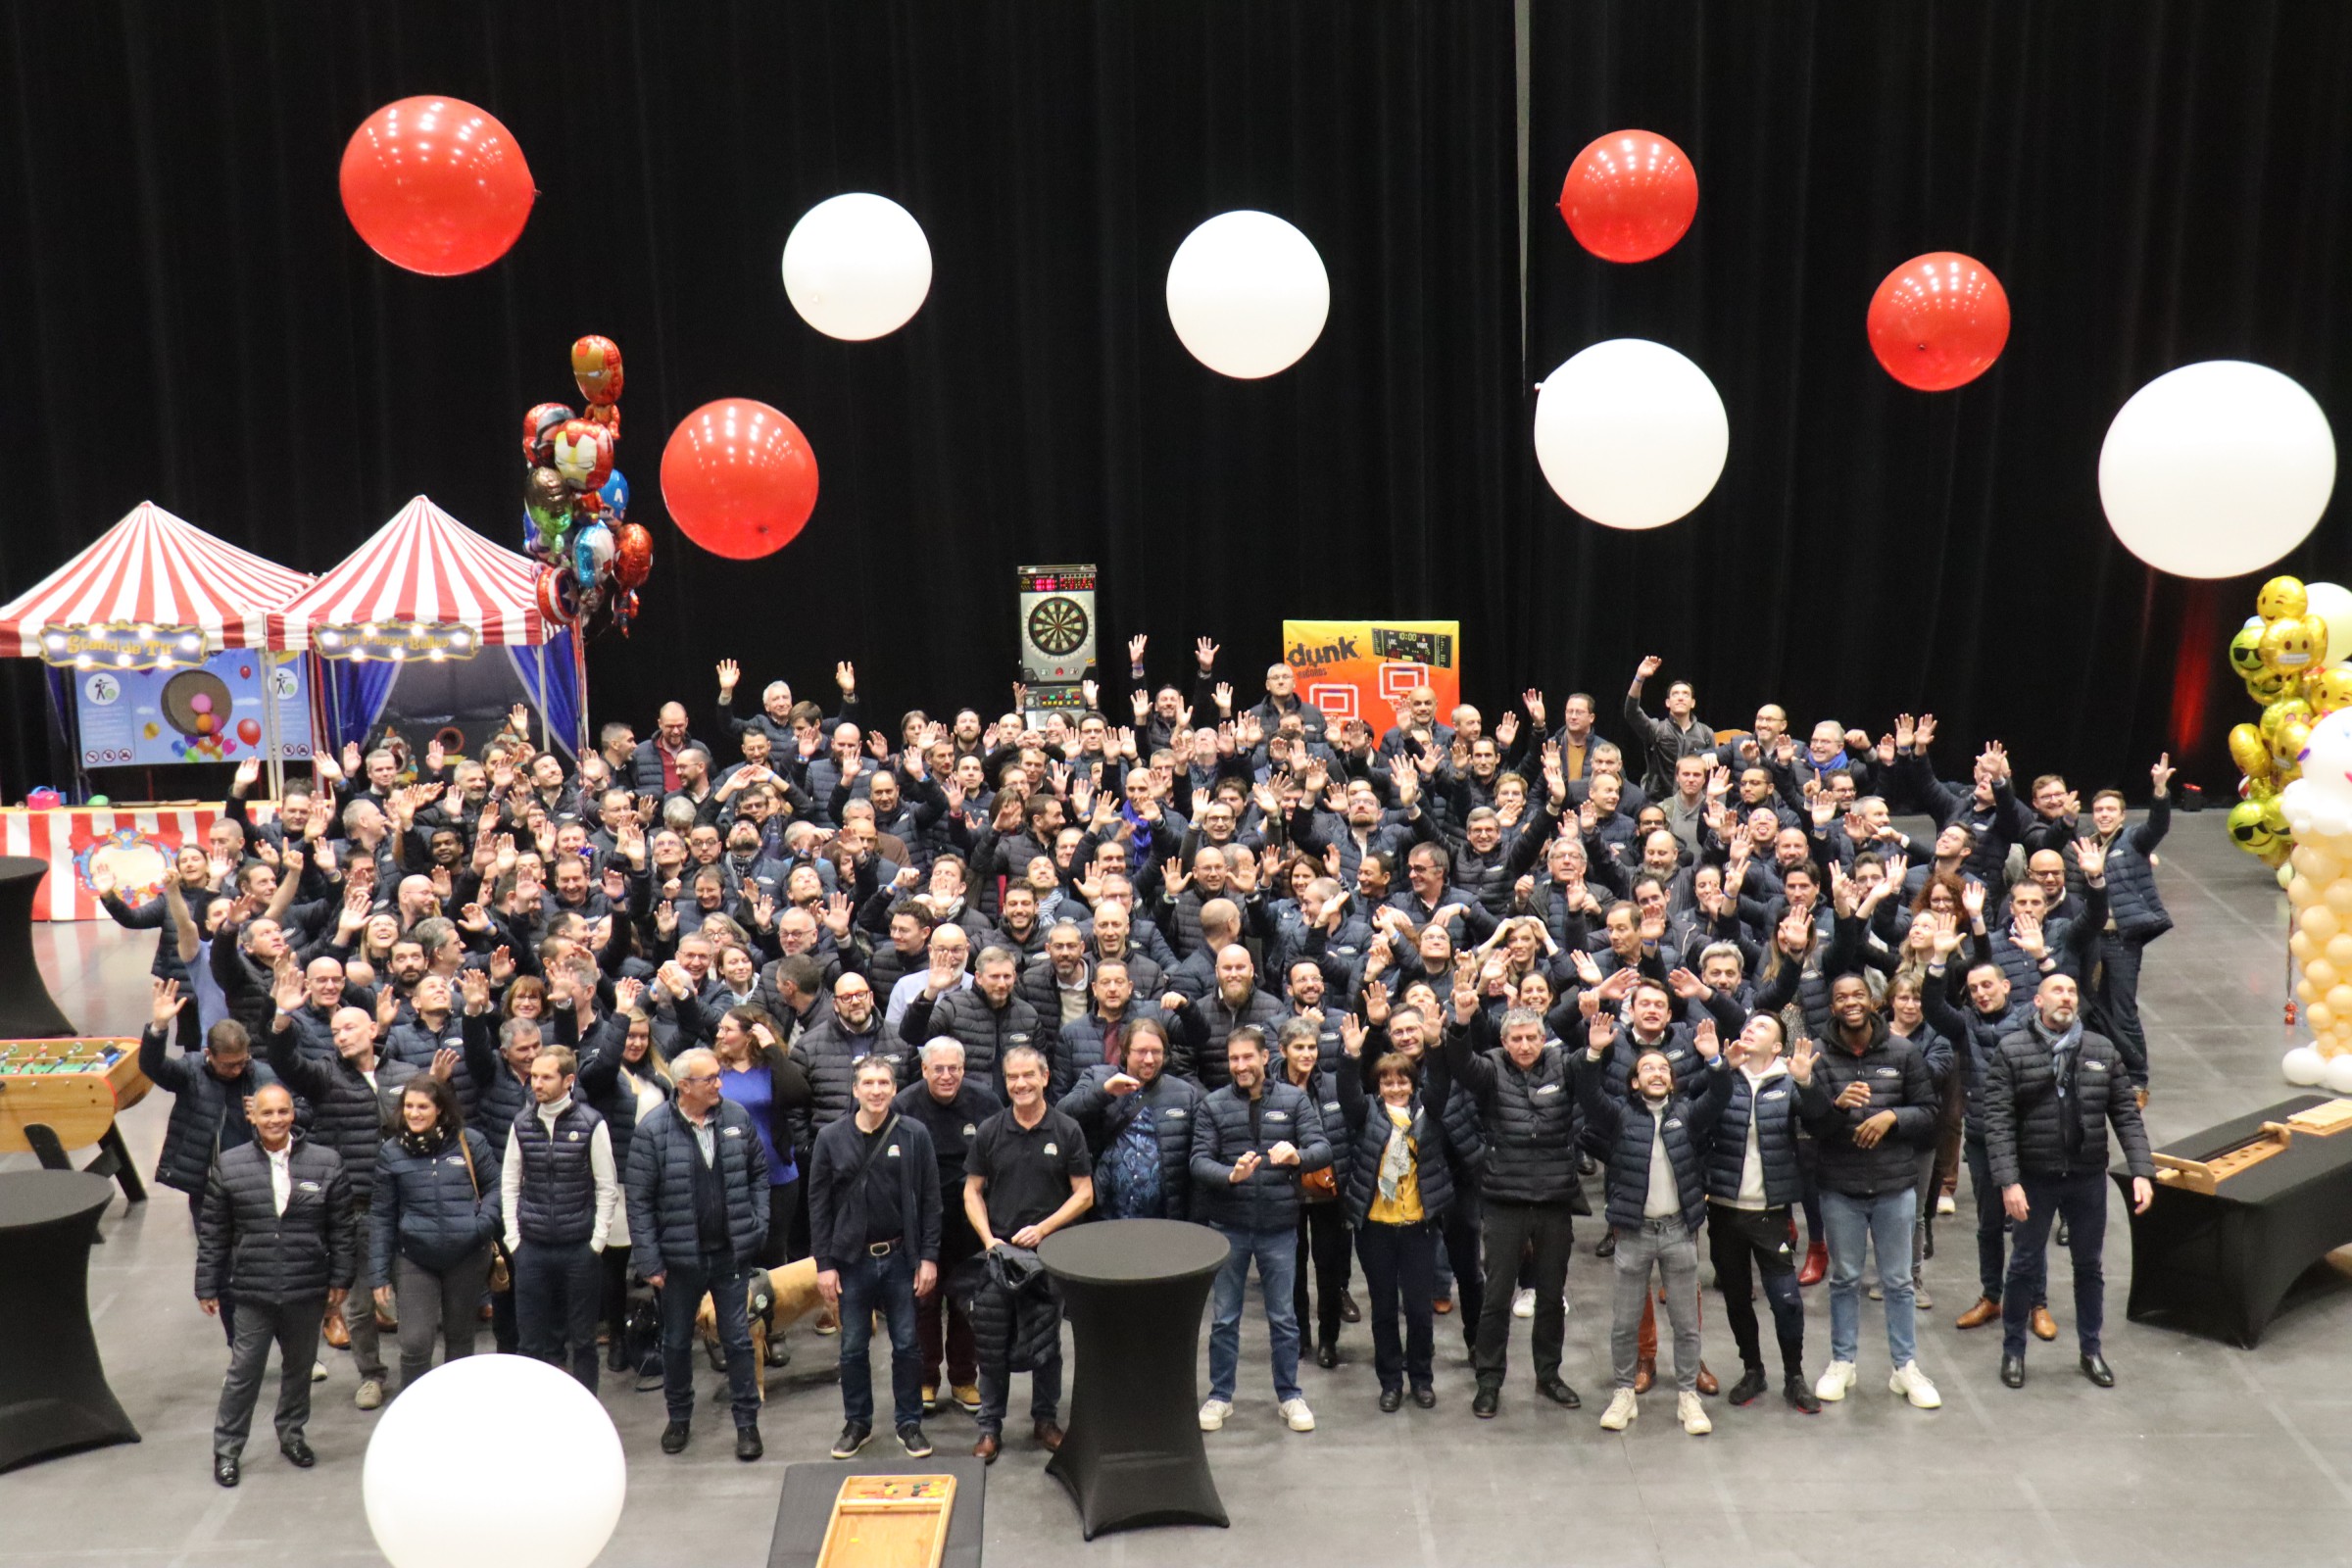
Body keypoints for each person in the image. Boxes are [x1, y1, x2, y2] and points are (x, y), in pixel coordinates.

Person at [1981, 973, 2156, 1388]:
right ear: (2038, 1002)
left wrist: (2142, 1171)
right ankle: (2013, 1351)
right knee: (2023, 1265)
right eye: (2056, 991)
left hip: (2086, 1177)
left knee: (2089, 1267)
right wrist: (2009, 1182)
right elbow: (1998, 1122)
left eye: (2072, 991)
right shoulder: (2012, 1050)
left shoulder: (2100, 1049)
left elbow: (2126, 1116)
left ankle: (2091, 1350)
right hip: (2034, 1178)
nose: (2066, 997)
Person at [262, 968, 424, 1412]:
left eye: (350, 1027)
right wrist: (281, 1018)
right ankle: (371, 1375)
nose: (340, 1036)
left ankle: (419, 1377)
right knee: (356, 1304)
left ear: (374, 1029)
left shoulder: (408, 1073)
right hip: (353, 1208)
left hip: (406, 1206)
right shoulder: (325, 1076)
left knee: (413, 1296)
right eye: (334, 1031)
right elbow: (285, 1062)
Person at [1576, 1014, 1733, 1436]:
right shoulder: (1620, 1117)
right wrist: (1593, 1051)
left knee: (1686, 1322)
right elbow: (1588, 1094)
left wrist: (1715, 1058)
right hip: (1634, 1232)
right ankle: (1623, 1392)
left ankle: (1688, 1396)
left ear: (1673, 1079)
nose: (1657, 1072)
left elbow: (1721, 1095)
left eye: (1664, 1068)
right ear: (1633, 1082)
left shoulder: (1688, 1115)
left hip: (1680, 1231)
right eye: (1647, 1068)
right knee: (1625, 1322)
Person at [197, 1082, 355, 1488]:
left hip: (307, 1287)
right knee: (244, 1371)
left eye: (283, 1111)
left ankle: (292, 1434)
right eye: (267, 1113)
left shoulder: (326, 1162)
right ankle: (227, 1449)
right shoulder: (229, 1165)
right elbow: (214, 1231)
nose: (276, 1120)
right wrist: (207, 1284)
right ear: (252, 1116)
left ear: (293, 1114)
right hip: (252, 1289)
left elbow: (341, 1228)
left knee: (299, 1368)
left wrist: (340, 1278)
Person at [1798, 974, 1942, 1410]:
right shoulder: (1819, 1058)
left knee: (1898, 1281)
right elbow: (1813, 1127)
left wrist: (1891, 1118)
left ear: (1873, 1001)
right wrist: (1832, 1103)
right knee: (1844, 1278)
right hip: (1839, 1186)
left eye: (1857, 995)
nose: (1850, 1003)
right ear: (1832, 1006)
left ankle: (1905, 1367)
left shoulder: (1903, 1052)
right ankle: (1843, 1362)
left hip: (1895, 1185)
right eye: (1841, 997)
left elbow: (1931, 1113)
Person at [1442, 987, 1583, 1418]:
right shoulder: (1490, 1069)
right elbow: (1460, 1064)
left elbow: (1596, 1064)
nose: (1524, 1045)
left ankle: (1549, 1374)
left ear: (1543, 1039)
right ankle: (1488, 1380)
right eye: (1516, 1039)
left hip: (1555, 1197)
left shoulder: (1564, 1065)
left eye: (1531, 1038)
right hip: (1504, 1198)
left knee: (1551, 1295)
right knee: (1497, 1297)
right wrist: (1461, 1023)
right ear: (1504, 1042)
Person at [626, 1046, 772, 1460]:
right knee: (675, 1343)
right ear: (684, 1086)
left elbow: (759, 1173)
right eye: (710, 1080)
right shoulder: (653, 1130)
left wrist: (756, 1226)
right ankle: (679, 1417)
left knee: (739, 1341)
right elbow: (639, 1201)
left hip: (730, 1255)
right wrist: (650, 1260)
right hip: (677, 1262)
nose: (719, 1085)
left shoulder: (737, 1118)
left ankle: (747, 1424)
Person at [1191, 1025, 1332, 1436]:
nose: (1240, 1066)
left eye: (1246, 1058)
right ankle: (1220, 1396)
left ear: (1264, 1057)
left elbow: (1321, 1149)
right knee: (1224, 1319)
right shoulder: (1213, 1105)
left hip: (1278, 1227)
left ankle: (1289, 1395)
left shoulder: (1294, 1099)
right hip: (1228, 1227)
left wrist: (1297, 1156)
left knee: (1284, 1318)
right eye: (1233, 1060)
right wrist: (1229, 1176)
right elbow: (1198, 1162)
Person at [808, 1055, 944, 1460]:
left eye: (884, 1082)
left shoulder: (915, 1134)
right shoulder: (830, 1138)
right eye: (868, 1083)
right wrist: (824, 1264)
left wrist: (930, 1257)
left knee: (906, 1344)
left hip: (902, 1257)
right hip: (851, 1261)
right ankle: (858, 1423)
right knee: (851, 1348)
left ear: (893, 1087)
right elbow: (817, 1205)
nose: (877, 1090)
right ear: (855, 1090)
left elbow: (932, 1200)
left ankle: (909, 1422)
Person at [963, 1044, 1093, 1463]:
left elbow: (1085, 1193)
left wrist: (1045, 1228)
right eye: (1013, 1077)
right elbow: (972, 1191)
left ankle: (1045, 1420)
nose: (1020, 1084)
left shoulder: (1066, 1129)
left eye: (1028, 1076)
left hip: (1050, 1258)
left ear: (1044, 1078)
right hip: (999, 1260)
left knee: (1047, 1345)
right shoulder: (990, 1130)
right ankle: (989, 1428)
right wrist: (988, 1241)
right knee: (991, 1341)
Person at [142, 978, 279, 1345]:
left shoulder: (263, 1077)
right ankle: (241, 1346)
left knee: (271, 1266)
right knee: (225, 1271)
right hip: (209, 1189)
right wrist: (158, 1028)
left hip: (259, 1185)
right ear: (209, 1056)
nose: (236, 1070)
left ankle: (289, 1346)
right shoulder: (190, 1073)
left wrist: (268, 1117)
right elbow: (153, 1067)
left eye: (241, 1063)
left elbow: (299, 1118)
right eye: (227, 1065)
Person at [1700, 1011, 1819, 1412]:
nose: (1751, 1029)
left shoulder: (1789, 1079)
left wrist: (1806, 1082)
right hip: (1723, 1209)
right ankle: (1752, 1369)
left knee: (1785, 1298)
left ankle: (1794, 1375)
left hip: (1770, 1211)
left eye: (1763, 1027)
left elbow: (1821, 1122)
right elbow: (1694, 1121)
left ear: (1778, 1046)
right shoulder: (1722, 1076)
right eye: (1748, 1025)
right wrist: (1717, 1072)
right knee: (1735, 1296)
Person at [1344, 1028, 1455, 1411]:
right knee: (1384, 1310)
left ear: (1413, 1083)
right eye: (1387, 1081)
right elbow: (1347, 1092)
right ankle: (1390, 1381)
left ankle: (1421, 1379)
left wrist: (1437, 1044)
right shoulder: (1367, 1116)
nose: (1394, 1087)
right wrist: (1350, 1055)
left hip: (1418, 1229)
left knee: (1421, 1313)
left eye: (1402, 1080)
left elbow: (1442, 1081)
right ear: (1377, 1086)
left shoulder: (1428, 1114)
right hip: (1375, 1228)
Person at [501, 1044, 621, 1390]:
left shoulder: (591, 1123)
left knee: (583, 1341)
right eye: (534, 1076)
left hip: (579, 1248)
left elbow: (606, 1186)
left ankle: (587, 1411)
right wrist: (514, 1239)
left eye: (545, 1076)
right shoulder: (522, 1122)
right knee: (530, 1342)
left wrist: (597, 1241)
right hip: (532, 1248)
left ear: (568, 1080)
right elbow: (509, 1183)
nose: (536, 1083)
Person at [369, 1075, 501, 1394]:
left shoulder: (470, 1142)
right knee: (415, 1342)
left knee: (459, 1338)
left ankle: (455, 1408)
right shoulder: (391, 1152)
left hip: (467, 1256)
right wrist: (378, 1274)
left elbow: (496, 1189)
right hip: (415, 1258)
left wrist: (479, 1227)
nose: (414, 1113)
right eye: (409, 1106)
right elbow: (383, 1214)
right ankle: (414, 1411)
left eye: (422, 1106)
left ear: (439, 1110)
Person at [895, 1038, 1002, 1413]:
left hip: (969, 1221)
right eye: (937, 1069)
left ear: (963, 1068)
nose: (946, 1076)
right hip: (921, 1222)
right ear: (923, 1070)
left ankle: (963, 1379)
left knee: (966, 1303)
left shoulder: (985, 1102)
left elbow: (996, 1160)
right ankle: (925, 1379)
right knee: (923, 1302)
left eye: (953, 1068)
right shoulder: (904, 1105)